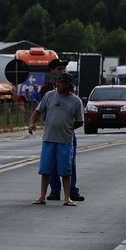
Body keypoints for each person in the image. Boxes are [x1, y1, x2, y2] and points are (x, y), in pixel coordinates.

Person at [29, 72, 84, 206]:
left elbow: (80, 121)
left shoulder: (76, 101)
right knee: (45, 169)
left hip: (65, 140)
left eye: (64, 83)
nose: (60, 85)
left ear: (68, 85)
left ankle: (67, 197)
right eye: (59, 82)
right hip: (49, 138)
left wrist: (69, 128)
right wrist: (32, 123)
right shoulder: (49, 96)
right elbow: (38, 111)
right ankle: (42, 196)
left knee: (66, 170)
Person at [40, 58, 85, 202]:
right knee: (51, 163)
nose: (62, 71)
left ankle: (72, 191)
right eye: (59, 68)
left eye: (63, 69)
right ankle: (54, 190)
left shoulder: (69, 87)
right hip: (52, 131)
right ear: (52, 70)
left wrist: (70, 128)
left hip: (67, 132)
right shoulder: (47, 90)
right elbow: (43, 109)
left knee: (69, 162)